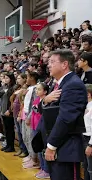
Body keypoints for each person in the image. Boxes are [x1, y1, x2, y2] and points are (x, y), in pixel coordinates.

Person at [43, 50, 87, 180]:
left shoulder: (73, 84)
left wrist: (51, 146)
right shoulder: (59, 84)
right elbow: (49, 110)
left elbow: (66, 119)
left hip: (66, 146)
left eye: (52, 62)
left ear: (64, 64)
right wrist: (45, 100)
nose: (48, 65)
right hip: (58, 144)